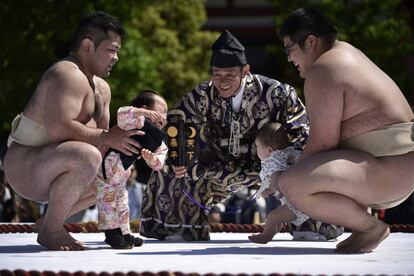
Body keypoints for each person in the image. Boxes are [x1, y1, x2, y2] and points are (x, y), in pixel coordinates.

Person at [140, 29, 340, 241]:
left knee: (308, 165)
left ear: (245, 71)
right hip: (217, 164)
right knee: (172, 166)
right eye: (216, 74)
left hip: (271, 165)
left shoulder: (277, 93)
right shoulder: (202, 94)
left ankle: (310, 224)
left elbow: (302, 130)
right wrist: (181, 157)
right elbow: (179, 121)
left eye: (229, 75)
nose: (222, 81)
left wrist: (284, 160)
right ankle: (182, 227)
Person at [277, 7, 414, 253]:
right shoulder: (347, 53)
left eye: (290, 50)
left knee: (293, 183)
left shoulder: (324, 69)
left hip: (389, 171)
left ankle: (370, 227)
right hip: (395, 168)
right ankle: (366, 224)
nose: (289, 59)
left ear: (310, 41)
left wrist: (290, 190)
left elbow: (323, 145)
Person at [2, 11, 140, 250]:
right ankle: (52, 229)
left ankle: (48, 220)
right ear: (87, 45)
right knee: (89, 156)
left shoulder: (102, 89)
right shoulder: (66, 73)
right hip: (25, 165)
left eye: (117, 51)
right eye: (111, 49)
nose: (116, 57)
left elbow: (105, 143)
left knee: (115, 168)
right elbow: (59, 129)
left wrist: (132, 141)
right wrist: (109, 137)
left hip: (57, 164)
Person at [248, 122, 343, 244]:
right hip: (303, 199)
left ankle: (265, 236)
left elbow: (277, 175)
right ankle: (271, 232)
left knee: (273, 217)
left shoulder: (273, 159)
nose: (256, 150)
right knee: (278, 218)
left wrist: (270, 189)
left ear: (269, 150)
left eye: (257, 147)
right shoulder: (289, 153)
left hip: (297, 203)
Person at [96, 90, 168, 249]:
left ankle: (125, 233)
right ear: (145, 108)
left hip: (122, 171)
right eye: (162, 110)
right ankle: (112, 234)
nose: (164, 115)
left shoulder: (159, 140)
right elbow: (121, 113)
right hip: (106, 162)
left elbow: (160, 163)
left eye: (166, 113)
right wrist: (144, 113)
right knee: (108, 199)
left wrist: (152, 159)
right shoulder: (136, 120)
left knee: (122, 202)